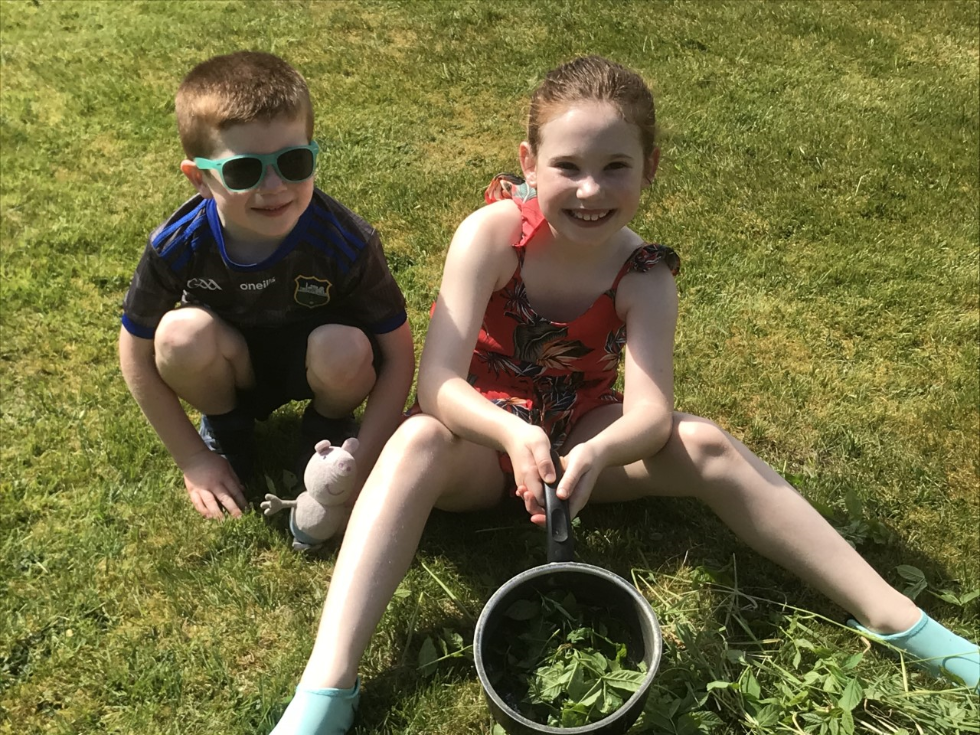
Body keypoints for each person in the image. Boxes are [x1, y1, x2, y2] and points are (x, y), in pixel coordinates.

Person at [270, 55, 980, 733]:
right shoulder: (491, 237)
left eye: (616, 167)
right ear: (528, 164)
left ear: (651, 168)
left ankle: (893, 614)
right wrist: (513, 435)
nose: (590, 190)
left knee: (702, 440)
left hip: (581, 437)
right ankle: (329, 683)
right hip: (479, 443)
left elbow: (647, 413)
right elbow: (439, 383)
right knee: (416, 437)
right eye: (567, 167)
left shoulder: (645, 276)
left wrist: (595, 453)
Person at [118, 51, 415, 520]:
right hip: (228, 362)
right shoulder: (177, 244)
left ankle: (327, 427)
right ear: (199, 179)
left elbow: (398, 353)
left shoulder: (343, 239)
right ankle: (226, 430)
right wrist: (192, 458)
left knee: (346, 346)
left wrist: (365, 459)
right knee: (178, 336)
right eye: (244, 170)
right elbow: (134, 352)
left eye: (294, 161)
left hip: (319, 360)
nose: (275, 186)